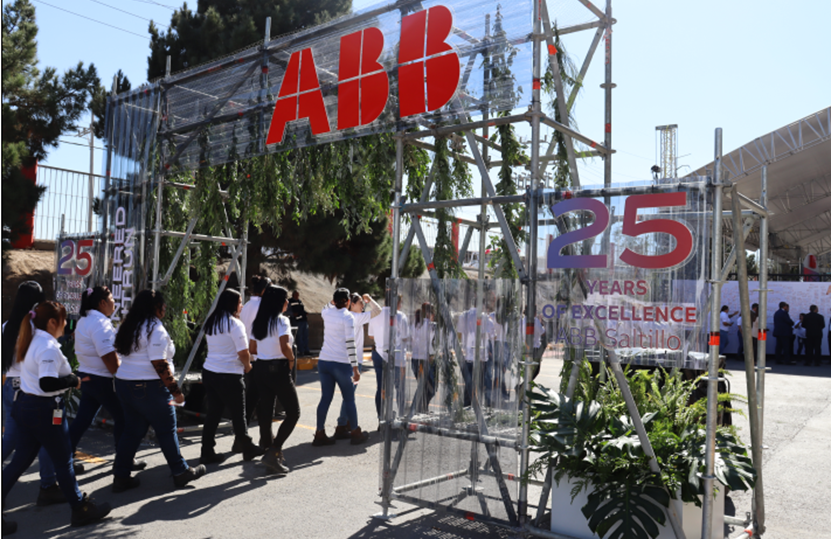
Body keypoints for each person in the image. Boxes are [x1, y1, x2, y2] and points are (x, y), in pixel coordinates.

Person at [2, 301, 111, 530]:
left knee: (19, 462)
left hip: (26, 405)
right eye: (64, 320)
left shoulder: (31, 340)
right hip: (44, 410)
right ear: (52, 322)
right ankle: (80, 509)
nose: (67, 324)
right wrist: (73, 380)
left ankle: (78, 506)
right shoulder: (47, 346)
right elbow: (47, 383)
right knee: (63, 461)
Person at [112, 290, 206, 491]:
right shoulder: (155, 329)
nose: (165, 308)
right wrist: (176, 391)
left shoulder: (129, 325)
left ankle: (121, 475)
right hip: (149, 387)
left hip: (124, 384)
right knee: (166, 429)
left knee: (132, 431)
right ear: (155, 308)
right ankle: (180, 471)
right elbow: (159, 364)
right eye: (163, 305)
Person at [2, 281, 67, 508]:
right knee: (47, 439)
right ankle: (48, 485)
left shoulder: (6, 325)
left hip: (10, 386)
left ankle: (48, 484)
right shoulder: (34, 328)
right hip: (31, 389)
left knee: (12, 439)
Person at [68, 286, 146, 473]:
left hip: (88, 376)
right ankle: (123, 460)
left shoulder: (85, 320)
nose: (114, 302)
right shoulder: (99, 323)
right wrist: (121, 377)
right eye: (111, 298)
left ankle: (64, 458)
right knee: (123, 418)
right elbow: (109, 357)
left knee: (83, 419)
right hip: (102, 379)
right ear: (102, 303)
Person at [200, 289, 261, 465]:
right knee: (238, 414)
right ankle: (247, 447)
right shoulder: (234, 324)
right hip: (229, 374)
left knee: (213, 413)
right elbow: (243, 352)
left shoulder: (212, 321)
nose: (241, 306)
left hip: (210, 371)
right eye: (240, 302)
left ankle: (207, 451)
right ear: (232, 304)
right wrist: (248, 367)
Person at [250, 286, 300, 472]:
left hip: (261, 368)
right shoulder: (282, 320)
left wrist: (266, 350)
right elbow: (285, 346)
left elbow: (252, 348)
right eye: (285, 299)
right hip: (278, 369)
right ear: (280, 302)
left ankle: (268, 448)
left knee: (266, 411)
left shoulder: (259, 321)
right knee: (293, 412)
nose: (287, 302)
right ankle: (274, 450)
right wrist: (291, 360)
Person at [315, 288, 370, 446]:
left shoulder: (327, 313)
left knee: (325, 398)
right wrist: (355, 368)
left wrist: (332, 302)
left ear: (334, 300)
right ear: (348, 302)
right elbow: (350, 344)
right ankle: (355, 432)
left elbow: (325, 306)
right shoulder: (348, 317)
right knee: (349, 399)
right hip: (342, 363)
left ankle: (319, 433)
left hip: (324, 361)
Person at [333, 293, 381, 439]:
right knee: (349, 395)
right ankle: (342, 424)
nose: (363, 305)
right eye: (360, 302)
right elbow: (377, 310)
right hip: (354, 361)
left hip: (344, 359)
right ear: (352, 304)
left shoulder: (344, 316)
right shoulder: (356, 317)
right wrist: (370, 299)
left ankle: (346, 422)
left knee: (348, 394)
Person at [367, 293, 410, 424]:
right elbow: (405, 337)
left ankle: (381, 418)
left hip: (379, 354)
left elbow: (371, 335)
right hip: (396, 356)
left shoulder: (375, 315)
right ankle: (401, 417)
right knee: (399, 388)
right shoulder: (401, 316)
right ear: (397, 303)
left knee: (381, 388)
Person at [239, 275, 271, 427]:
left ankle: (261, 433)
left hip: (248, 355)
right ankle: (243, 430)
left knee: (255, 395)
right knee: (257, 397)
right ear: (264, 290)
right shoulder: (263, 307)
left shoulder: (246, 306)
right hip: (259, 356)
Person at [409, 303, 437, 414]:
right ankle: (415, 409)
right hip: (424, 360)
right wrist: (431, 355)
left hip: (415, 359)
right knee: (431, 387)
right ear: (429, 313)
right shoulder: (429, 325)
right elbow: (430, 343)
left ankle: (421, 409)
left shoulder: (415, 323)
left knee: (423, 386)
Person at [288, 291, 311, 357]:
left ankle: (306, 350)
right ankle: (301, 351)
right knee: (299, 336)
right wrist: (293, 314)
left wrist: (305, 313)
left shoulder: (299, 301)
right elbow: (287, 311)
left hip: (303, 320)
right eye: (296, 295)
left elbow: (301, 310)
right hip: (297, 321)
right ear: (293, 295)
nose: (297, 296)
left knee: (305, 336)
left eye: (298, 295)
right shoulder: (290, 302)